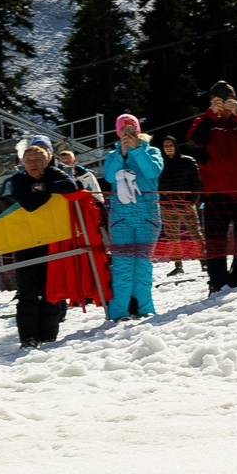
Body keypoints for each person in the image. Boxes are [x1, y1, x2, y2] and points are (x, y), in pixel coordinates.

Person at [4, 136, 79, 347]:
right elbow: (29, 204)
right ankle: (28, 338)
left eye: (37, 159)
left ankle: (49, 336)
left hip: (51, 241)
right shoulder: (18, 179)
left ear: (47, 162)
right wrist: (46, 190)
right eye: (28, 160)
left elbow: (70, 185)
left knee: (51, 291)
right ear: (22, 163)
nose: (33, 164)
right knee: (27, 293)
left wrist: (42, 188)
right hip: (24, 242)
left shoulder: (54, 174)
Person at [185, 82, 237, 291]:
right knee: (216, 239)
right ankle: (217, 282)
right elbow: (195, 138)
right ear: (211, 102)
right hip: (216, 192)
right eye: (218, 100)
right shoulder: (205, 121)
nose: (223, 105)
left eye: (227, 100)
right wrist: (211, 114)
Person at [99, 114, 164, 320]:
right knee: (122, 264)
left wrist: (136, 150)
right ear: (118, 133)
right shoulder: (113, 155)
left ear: (138, 130)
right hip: (121, 219)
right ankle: (119, 311)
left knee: (143, 263)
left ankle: (145, 308)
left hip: (147, 217)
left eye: (131, 129)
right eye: (123, 130)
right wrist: (121, 155)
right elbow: (109, 177)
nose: (127, 133)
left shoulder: (151, 151)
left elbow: (152, 171)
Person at [154, 132, 202, 277]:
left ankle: (205, 262)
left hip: (186, 204)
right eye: (165, 146)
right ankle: (178, 265)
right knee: (172, 237)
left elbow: (197, 183)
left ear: (175, 146)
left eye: (170, 145)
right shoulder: (159, 164)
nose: (168, 148)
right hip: (167, 206)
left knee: (195, 234)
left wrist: (193, 199)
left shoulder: (188, 161)